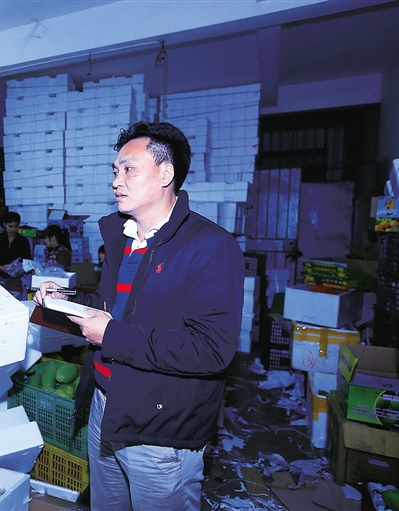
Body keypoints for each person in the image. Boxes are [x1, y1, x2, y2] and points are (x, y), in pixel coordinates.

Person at [33, 121, 244, 511]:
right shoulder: (125, 239)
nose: (117, 181)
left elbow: (212, 349)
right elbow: (116, 307)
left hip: (160, 425)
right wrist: (64, 300)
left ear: (165, 174)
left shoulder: (210, 246)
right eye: (115, 170)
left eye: (129, 169)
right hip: (105, 406)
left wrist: (111, 335)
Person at [0, 211, 32, 295]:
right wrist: (1, 268)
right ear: (5, 224)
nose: (13, 229)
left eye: (16, 226)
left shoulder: (23, 241)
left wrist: (18, 269)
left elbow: (27, 260)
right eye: (10, 226)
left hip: (15, 278)